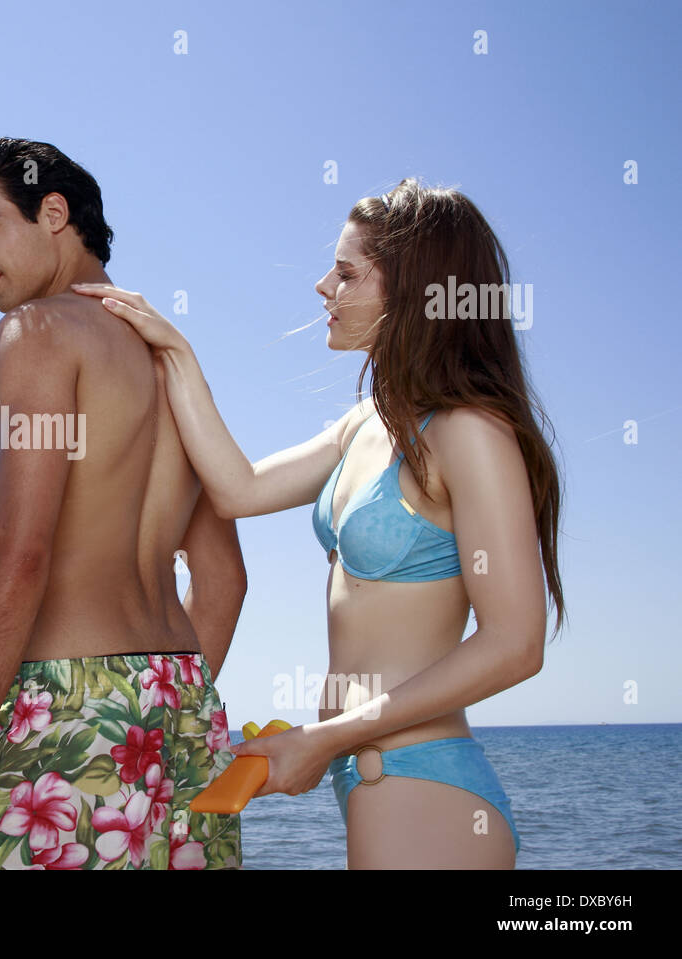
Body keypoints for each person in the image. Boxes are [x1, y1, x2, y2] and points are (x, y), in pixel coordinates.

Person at [73, 178, 565, 869]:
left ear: (418, 292)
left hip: (424, 783)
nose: (320, 286)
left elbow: (517, 643)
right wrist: (175, 354)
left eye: (346, 272)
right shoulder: (366, 425)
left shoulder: (469, 433)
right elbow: (237, 488)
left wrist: (323, 739)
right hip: (367, 774)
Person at [0, 139, 247, 870]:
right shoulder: (171, 360)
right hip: (185, 709)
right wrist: (155, 710)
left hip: (70, 705)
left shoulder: (37, 333)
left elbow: (15, 552)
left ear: (53, 213)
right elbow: (224, 582)